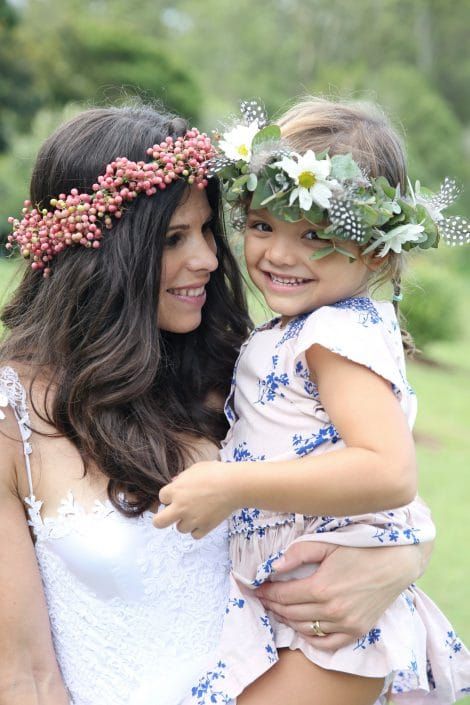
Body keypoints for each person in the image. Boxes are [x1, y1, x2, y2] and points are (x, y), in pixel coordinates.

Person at [0, 103, 433, 705]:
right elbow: (23, 678)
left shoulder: (244, 369)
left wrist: (403, 559)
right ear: (100, 254)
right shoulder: (13, 415)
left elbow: (379, 487)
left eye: (208, 230)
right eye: (174, 238)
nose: (207, 258)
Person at [154, 97, 470, 704]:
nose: (278, 254)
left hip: (325, 614)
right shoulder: (299, 329)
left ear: (376, 252)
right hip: (295, 599)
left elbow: (388, 470)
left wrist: (231, 486)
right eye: (263, 226)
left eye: (315, 237)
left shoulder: (335, 336)